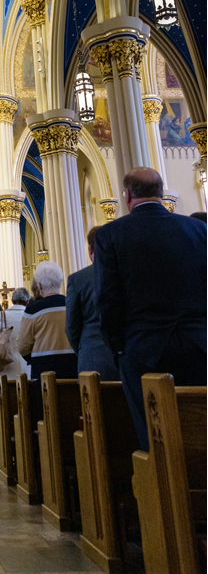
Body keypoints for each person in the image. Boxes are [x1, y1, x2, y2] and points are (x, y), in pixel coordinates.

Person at [94, 167, 207, 449]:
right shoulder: (199, 230)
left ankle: (165, 489)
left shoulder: (110, 234)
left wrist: (118, 347)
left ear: (128, 195)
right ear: (160, 192)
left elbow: (107, 299)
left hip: (143, 349)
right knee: (200, 427)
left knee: (154, 436)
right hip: (199, 345)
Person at [64, 231, 118, 381]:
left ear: (90, 249)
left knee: (93, 403)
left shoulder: (78, 280)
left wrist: (83, 348)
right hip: (125, 356)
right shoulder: (124, 272)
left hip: (92, 356)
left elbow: (71, 327)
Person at [17, 262, 77, 382]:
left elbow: (23, 346)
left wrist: (33, 357)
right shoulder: (72, 304)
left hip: (43, 369)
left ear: (39, 286)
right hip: (73, 366)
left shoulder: (33, 309)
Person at [0, 291, 28, 410]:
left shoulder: (2, 316)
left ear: (12, 301)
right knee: (26, 404)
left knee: (6, 405)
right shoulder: (31, 314)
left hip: (6, 366)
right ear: (28, 301)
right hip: (27, 368)